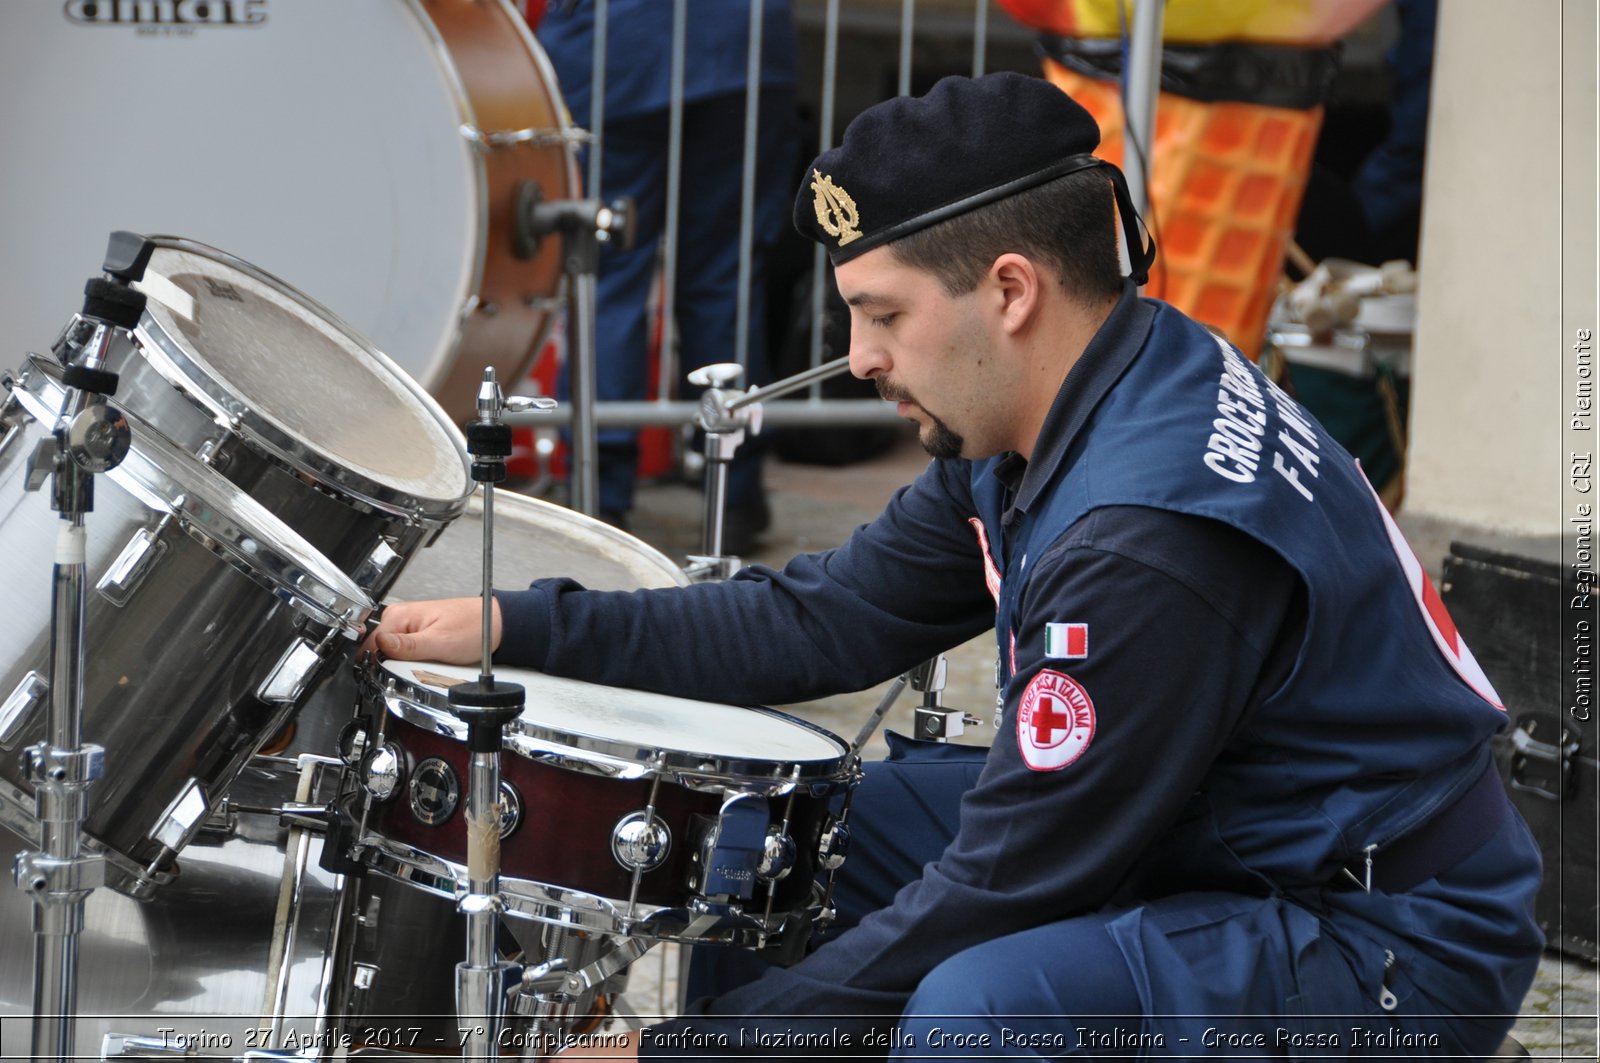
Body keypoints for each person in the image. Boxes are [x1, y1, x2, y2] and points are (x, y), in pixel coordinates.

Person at [374, 73, 1542, 1059]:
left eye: (879, 313)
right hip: (1236, 835)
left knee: (979, 1013)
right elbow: (823, 621)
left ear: (1010, 292)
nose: (855, 357)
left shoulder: (1149, 535)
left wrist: (682, 1049)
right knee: (772, 841)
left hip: (1390, 938)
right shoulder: (1082, 387)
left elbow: (1009, 883)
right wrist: (511, 624)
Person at [535, 0, 798, 549]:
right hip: (740, 45)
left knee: (605, 275)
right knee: (725, 277)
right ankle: (733, 489)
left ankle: (597, 489)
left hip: (617, 47)